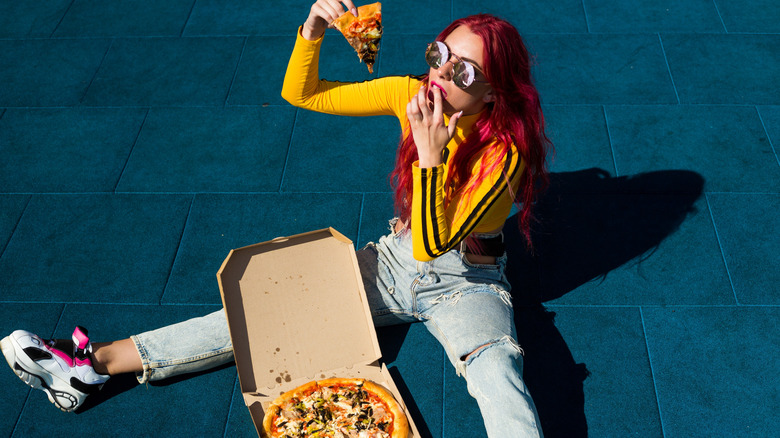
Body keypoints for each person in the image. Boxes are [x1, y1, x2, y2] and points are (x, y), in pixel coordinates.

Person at [1, 1, 550, 436]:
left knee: (497, 373)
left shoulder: (505, 153)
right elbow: (301, 93)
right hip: (394, 259)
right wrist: (311, 31)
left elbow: (438, 247)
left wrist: (430, 158)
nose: (439, 74)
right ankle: (89, 368)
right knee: (268, 312)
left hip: (465, 282)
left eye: (462, 69)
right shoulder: (409, 94)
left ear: (494, 91)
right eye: (437, 53)